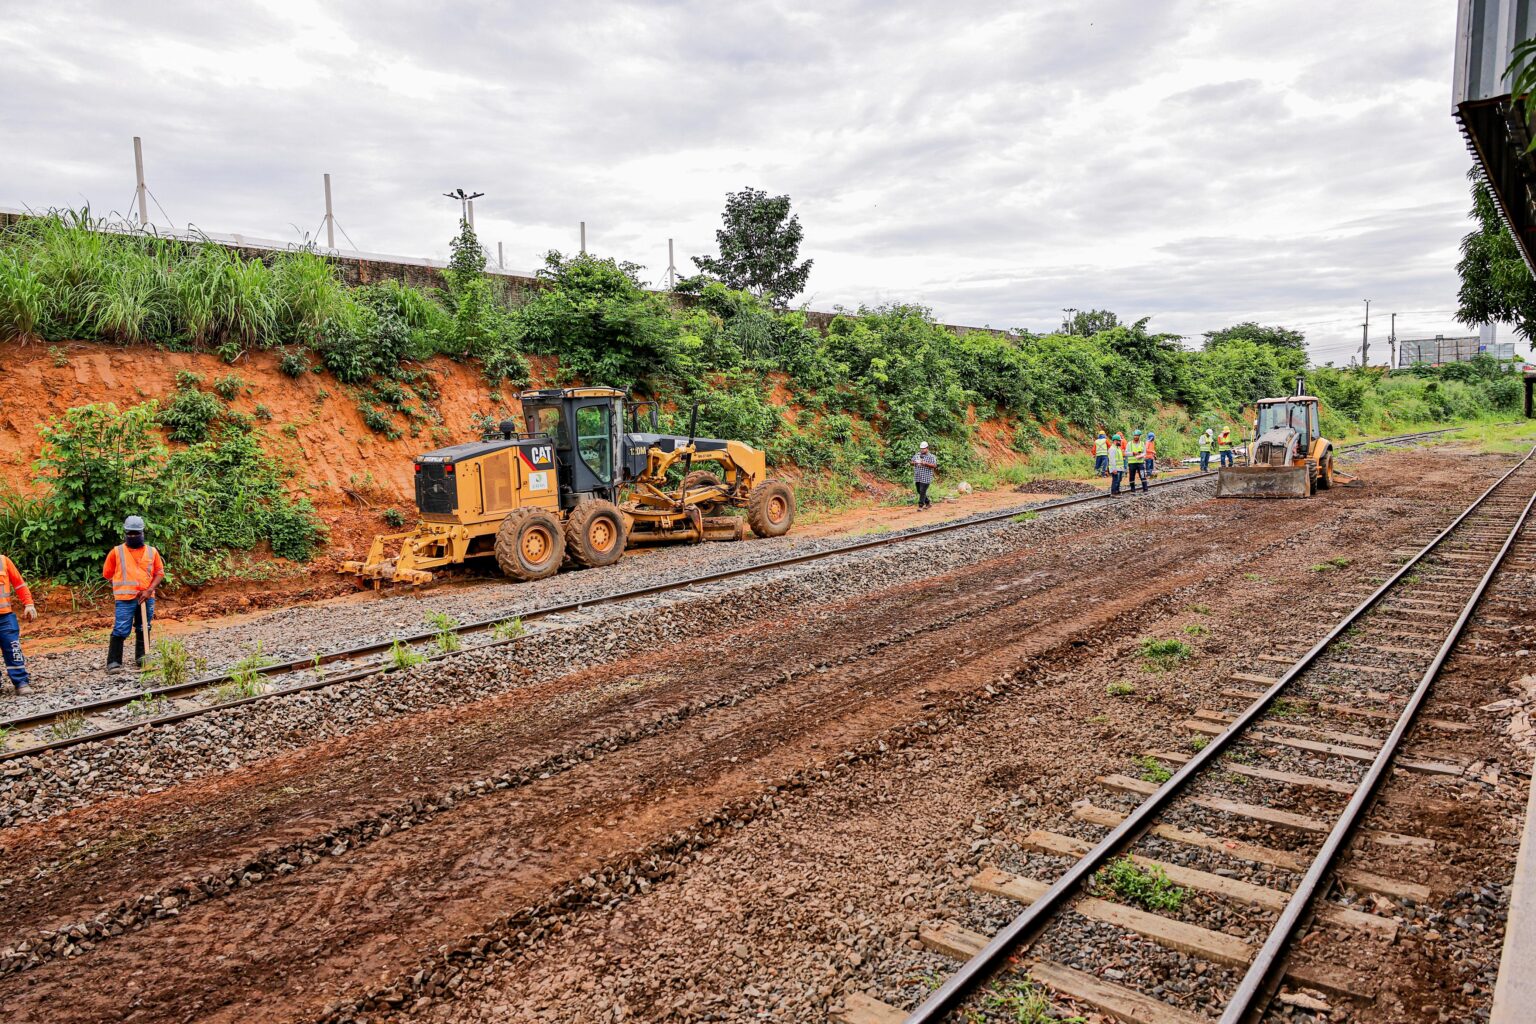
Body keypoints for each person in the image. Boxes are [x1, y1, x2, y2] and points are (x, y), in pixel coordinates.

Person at [103, 515, 165, 673]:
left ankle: (142, 658)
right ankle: (114, 662)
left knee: (144, 627)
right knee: (121, 629)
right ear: (125, 533)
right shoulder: (116, 552)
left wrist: (149, 589)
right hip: (125, 599)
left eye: (136, 533)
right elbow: (108, 574)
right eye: (129, 533)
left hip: (147, 597)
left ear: (142, 533)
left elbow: (159, 572)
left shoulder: (152, 552)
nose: (132, 536)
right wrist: (123, 587)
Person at [0, 552, 37, 695]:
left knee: (13, 649)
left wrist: (29, 604)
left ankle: (21, 682)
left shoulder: (3, 561)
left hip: (5, 617)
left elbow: (19, 583)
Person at [911, 442, 938, 510]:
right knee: (918, 490)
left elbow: (934, 465)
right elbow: (911, 462)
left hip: (926, 477)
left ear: (927, 448)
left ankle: (920, 505)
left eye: (924, 449)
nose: (922, 450)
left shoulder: (931, 456)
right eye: (921, 449)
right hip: (918, 476)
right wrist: (916, 462)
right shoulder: (917, 455)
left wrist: (925, 463)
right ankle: (928, 503)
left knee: (922, 490)